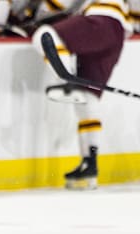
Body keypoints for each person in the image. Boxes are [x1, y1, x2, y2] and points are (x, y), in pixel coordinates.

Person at [29, 0, 132, 189]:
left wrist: (36, 16)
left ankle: (66, 82)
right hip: (117, 34)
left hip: (100, 21)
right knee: (88, 99)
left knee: (44, 35)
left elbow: (59, 3)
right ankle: (89, 164)